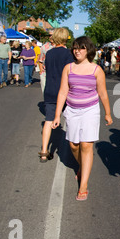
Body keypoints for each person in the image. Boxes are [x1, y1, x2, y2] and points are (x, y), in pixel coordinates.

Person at [52, 36, 113, 201]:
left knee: (86, 145)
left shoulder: (96, 70)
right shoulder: (68, 68)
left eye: (81, 48)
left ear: (88, 50)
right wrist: (57, 115)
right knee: (74, 145)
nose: (77, 51)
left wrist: (107, 112)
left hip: (90, 110)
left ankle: (83, 185)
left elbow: (102, 93)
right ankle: (81, 166)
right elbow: (63, 92)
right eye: (75, 48)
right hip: (72, 110)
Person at [39, 28, 74, 163]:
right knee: (70, 120)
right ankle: (72, 150)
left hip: (49, 89)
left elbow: (46, 69)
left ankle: (44, 151)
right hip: (64, 91)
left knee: (48, 120)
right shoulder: (68, 54)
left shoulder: (49, 53)